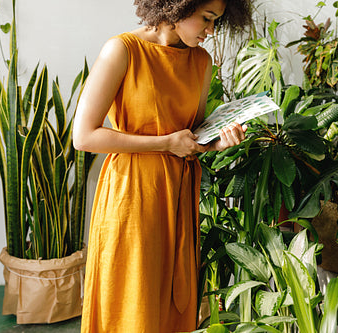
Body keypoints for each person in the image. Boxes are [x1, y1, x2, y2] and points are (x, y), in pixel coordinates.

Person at [73, 0, 253, 331]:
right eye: (207, 19)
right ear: (178, 7)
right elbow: (84, 137)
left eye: (216, 22)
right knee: (130, 301)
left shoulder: (201, 61)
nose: (211, 31)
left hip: (179, 195)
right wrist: (165, 143)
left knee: (171, 303)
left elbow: (190, 137)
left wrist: (213, 142)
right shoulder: (123, 50)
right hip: (132, 196)